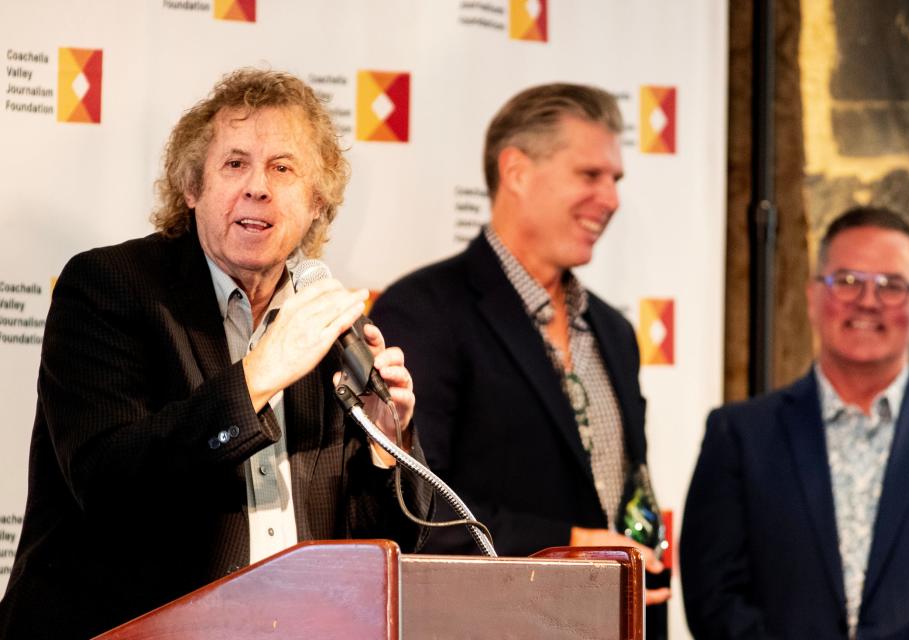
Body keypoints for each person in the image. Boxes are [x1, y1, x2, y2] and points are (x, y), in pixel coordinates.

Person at [0, 68, 432, 639]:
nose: (258, 186)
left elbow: (387, 546)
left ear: (316, 203)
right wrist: (257, 376)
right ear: (192, 188)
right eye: (235, 164)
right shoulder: (109, 288)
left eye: (283, 168)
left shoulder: (327, 322)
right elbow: (109, 485)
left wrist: (386, 444)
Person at [370, 83, 670, 608]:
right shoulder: (424, 309)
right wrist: (569, 548)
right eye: (590, 175)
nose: (612, 198)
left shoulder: (614, 333)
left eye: (615, 179)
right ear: (516, 172)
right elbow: (414, 507)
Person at [681, 206, 909, 638]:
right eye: (847, 281)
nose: (868, 301)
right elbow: (713, 598)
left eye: (891, 285)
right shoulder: (739, 435)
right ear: (813, 297)